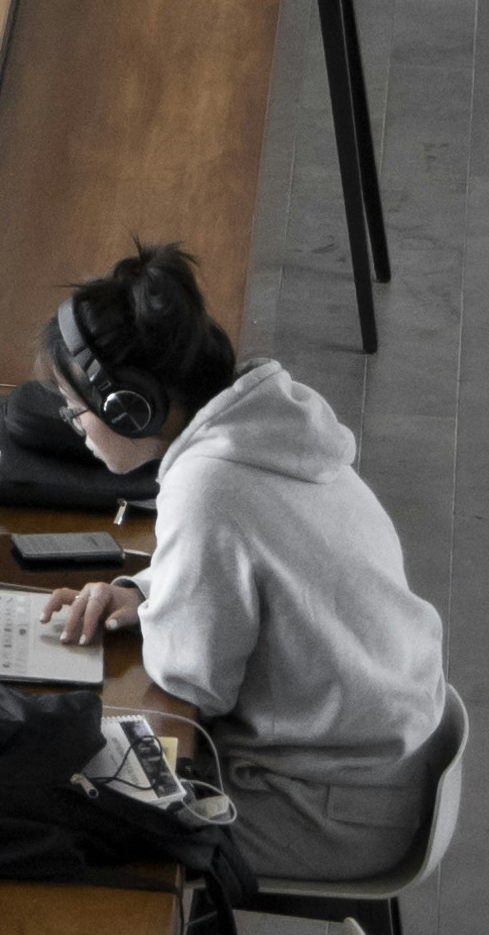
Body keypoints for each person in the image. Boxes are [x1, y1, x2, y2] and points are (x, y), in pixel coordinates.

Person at [30, 238, 447, 897]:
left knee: (81, 826)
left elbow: (190, 677)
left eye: (75, 406)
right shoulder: (265, 418)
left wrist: (163, 609)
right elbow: (264, 566)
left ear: (127, 405)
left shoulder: (206, 489)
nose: (72, 423)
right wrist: (146, 592)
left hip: (333, 809)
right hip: (389, 756)